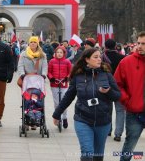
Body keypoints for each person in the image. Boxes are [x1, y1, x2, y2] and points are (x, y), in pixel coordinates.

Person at [52, 48, 121, 161]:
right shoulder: (78, 76)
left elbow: (118, 96)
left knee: (98, 156)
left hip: (103, 121)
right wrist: (57, 113)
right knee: (87, 153)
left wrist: (108, 92)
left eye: (100, 57)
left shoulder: (107, 74)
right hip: (82, 119)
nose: (99, 59)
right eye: (95, 57)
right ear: (87, 59)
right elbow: (68, 96)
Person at [114, 31, 145, 161]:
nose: (140, 46)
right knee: (129, 147)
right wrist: (126, 100)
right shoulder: (126, 62)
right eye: (138, 43)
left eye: (143, 44)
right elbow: (117, 84)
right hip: (134, 113)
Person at [103, 39, 126, 142]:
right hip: (119, 86)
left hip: (106, 85)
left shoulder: (102, 58)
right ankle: (118, 134)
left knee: (107, 109)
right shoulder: (122, 58)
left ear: (105, 46)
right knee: (120, 111)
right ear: (115, 46)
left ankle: (108, 130)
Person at [47, 46, 72, 129]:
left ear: (64, 53)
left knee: (64, 102)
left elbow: (70, 72)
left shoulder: (67, 62)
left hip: (64, 84)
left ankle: (64, 118)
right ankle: (57, 117)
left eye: (61, 52)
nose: (59, 54)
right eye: (58, 52)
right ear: (55, 53)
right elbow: (49, 72)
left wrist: (67, 78)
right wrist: (51, 78)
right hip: (54, 84)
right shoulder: (51, 61)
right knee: (57, 102)